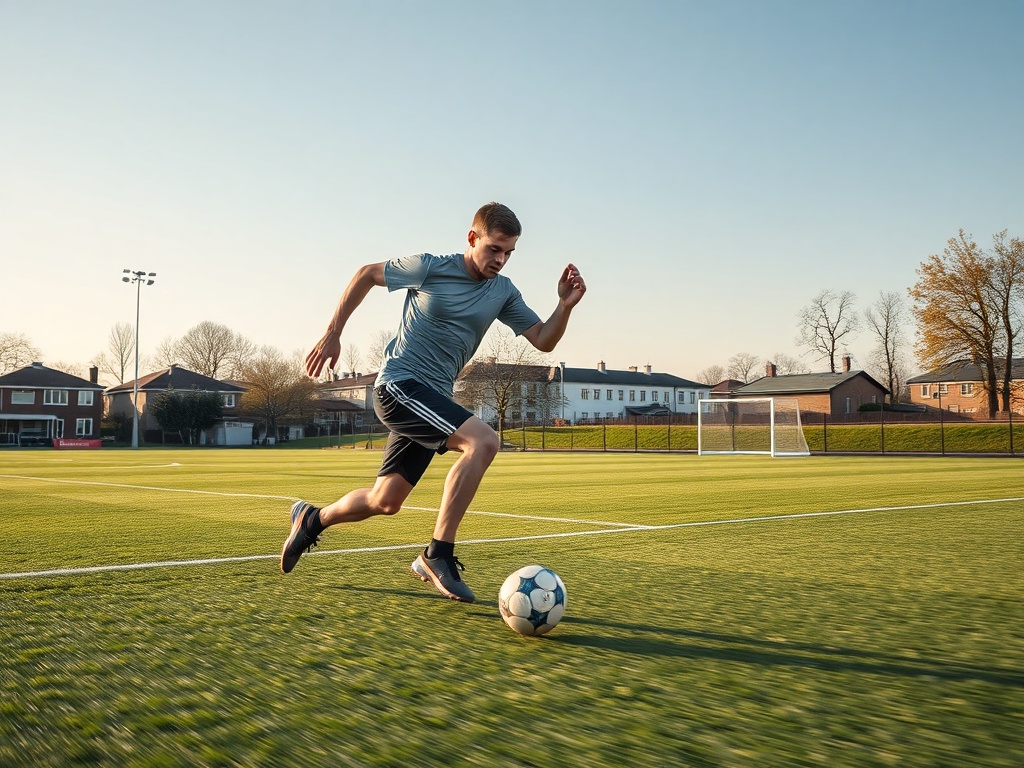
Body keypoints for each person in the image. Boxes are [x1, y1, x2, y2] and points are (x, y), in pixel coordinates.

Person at [281, 202, 586, 603]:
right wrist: (333, 332)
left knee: (384, 501)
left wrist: (563, 306)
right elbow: (365, 274)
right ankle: (437, 553)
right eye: (494, 248)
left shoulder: (503, 292)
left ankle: (312, 519)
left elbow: (544, 340)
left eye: (509, 252)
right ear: (472, 238)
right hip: (400, 386)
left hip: (434, 398)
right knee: (484, 441)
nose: (501, 259)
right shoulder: (429, 267)